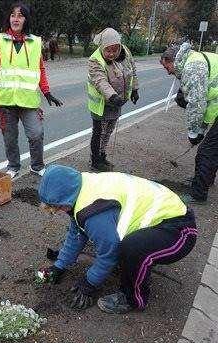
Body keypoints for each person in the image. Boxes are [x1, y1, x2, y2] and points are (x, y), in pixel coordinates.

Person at [38, 165, 197, 313]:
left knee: (132, 248)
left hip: (179, 230)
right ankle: (132, 264)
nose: (57, 211)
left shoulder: (94, 213)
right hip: (163, 218)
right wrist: (59, 265)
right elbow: (77, 233)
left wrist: (90, 282)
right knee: (121, 245)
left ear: (67, 199)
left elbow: (109, 252)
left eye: (58, 207)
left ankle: (132, 299)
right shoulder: (82, 187)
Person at [0, 2, 63, 179]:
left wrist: (47, 92)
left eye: (20, 15)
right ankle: (13, 166)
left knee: (36, 134)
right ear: (9, 19)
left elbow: (40, 69)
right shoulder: (0, 41)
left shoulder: (35, 42)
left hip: (28, 100)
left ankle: (37, 166)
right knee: (10, 138)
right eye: (13, 15)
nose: (15, 19)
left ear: (26, 19)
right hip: (5, 100)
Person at [160, 42, 218, 204]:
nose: (168, 72)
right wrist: (201, 130)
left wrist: (193, 133)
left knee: (207, 151)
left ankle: (198, 194)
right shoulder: (191, 59)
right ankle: (205, 179)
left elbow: (197, 105)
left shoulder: (192, 68)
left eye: (167, 68)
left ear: (171, 60)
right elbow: (209, 104)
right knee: (210, 149)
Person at [88, 28, 139, 171]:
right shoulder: (95, 60)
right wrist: (112, 96)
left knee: (109, 131)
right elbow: (100, 82)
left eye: (114, 51)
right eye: (108, 51)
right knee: (99, 132)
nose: (111, 54)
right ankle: (95, 161)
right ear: (102, 47)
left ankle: (102, 156)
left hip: (116, 102)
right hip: (101, 104)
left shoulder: (125, 52)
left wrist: (135, 89)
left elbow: (132, 70)